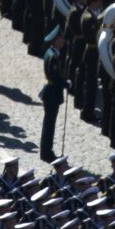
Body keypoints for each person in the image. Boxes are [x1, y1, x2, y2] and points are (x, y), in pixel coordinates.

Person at [39, 25, 67, 163]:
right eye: (61, 38)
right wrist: (66, 84)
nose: (63, 41)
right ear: (56, 40)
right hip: (52, 93)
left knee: (49, 124)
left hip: (52, 92)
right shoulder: (53, 57)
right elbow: (55, 76)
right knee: (49, 124)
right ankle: (46, 152)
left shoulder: (52, 53)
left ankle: (47, 151)